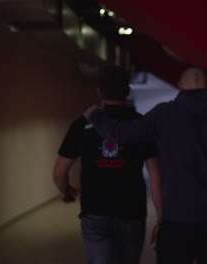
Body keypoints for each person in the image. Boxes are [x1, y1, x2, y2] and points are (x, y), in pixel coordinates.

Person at [84, 66, 207, 264]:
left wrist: (96, 116)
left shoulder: (164, 114)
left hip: (175, 223)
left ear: (180, 85)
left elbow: (123, 134)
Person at [53, 65, 162, 264]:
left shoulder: (81, 125)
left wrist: (66, 190)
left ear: (99, 92)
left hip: (95, 212)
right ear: (127, 91)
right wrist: (161, 216)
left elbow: (59, 172)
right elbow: (156, 176)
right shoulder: (141, 125)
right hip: (132, 212)